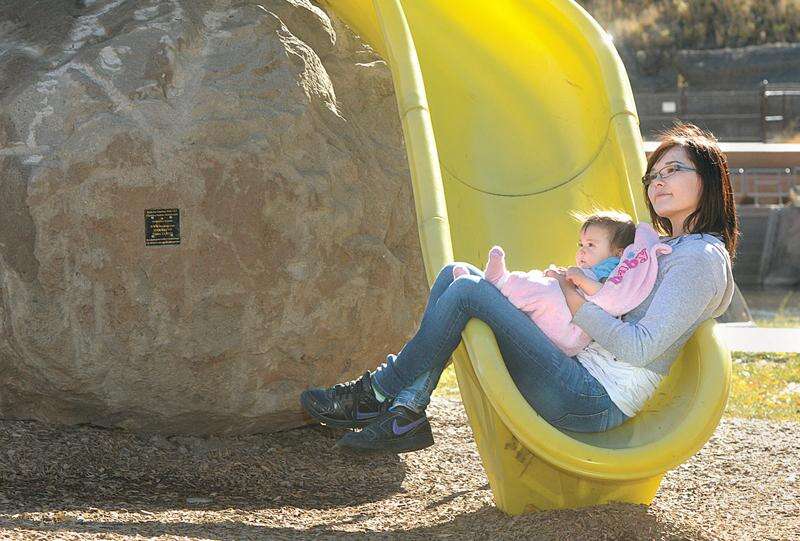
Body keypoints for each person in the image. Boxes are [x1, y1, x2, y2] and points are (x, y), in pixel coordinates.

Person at [300, 122, 739, 453]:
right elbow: (612, 292)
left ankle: (378, 392)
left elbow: (642, 348)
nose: (657, 181)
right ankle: (406, 413)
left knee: (470, 291)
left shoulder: (700, 260)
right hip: (575, 369)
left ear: (709, 178)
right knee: (456, 272)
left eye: (673, 169)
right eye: (652, 175)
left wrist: (572, 298)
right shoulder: (666, 246)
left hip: (593, 398)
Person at [457, 212, 670, 357]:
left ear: (618, 252)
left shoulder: (614, 269)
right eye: (581, 245)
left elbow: (606, 295)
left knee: (547, 291)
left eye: (591, 245)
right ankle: (482, 292)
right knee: (542, 285)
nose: (582, 251)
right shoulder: (600, 267)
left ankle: (497, 283)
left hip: (572, 331)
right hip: (565, 326)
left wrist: (578, 278)